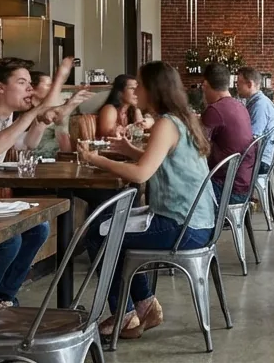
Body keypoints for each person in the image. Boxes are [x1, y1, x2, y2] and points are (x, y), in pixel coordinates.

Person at [79, 62, 217, 339]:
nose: (136, 91)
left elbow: (142, 174)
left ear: (153, 89)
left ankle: (126, 314)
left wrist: (96, 159)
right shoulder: (181, 118)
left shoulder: (165, 124)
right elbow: (161, 159)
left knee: (98, 233)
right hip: (198, 222)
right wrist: (129, 149)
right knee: (109, 227)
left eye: (140, 85)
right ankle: (144, 306)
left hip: (182, 227)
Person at [0, 57, 75, 312]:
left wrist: (39, 120)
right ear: (0, 87)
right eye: (22, 82)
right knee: (10, 241)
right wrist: (32, 114)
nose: (29, 88)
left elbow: (26, 144)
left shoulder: (6, 117)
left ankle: (3, 298)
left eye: (29, 83)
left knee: (38, 228)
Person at [199, 64, 256, 205]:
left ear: (205, 85)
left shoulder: (214, 110)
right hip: (243, 184)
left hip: (226, 189)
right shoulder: (240, 106)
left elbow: (196, 146)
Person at [235, 67, 274, 176]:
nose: (237, 86)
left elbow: (253, 139)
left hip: (261, 161)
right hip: (261, 157)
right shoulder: (256, 102)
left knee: (221, 169)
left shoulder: (259, 105)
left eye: (239, 83)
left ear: (250, 84)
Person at [97, 74, 145, 138]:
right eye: (132, 88)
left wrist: (137, 111)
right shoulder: (109, 109)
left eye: (137, 89)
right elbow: (107, 134)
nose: (137, 92)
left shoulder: (132, 110)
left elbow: (140, 133)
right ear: (120, 92)